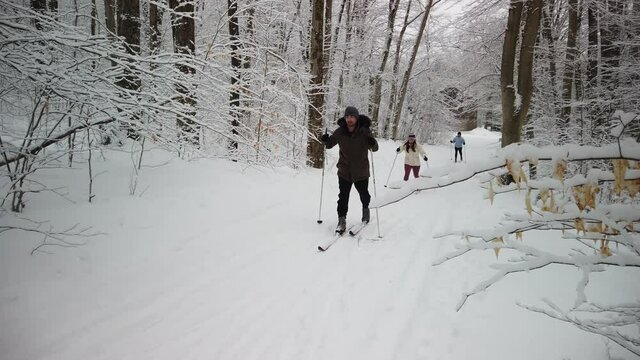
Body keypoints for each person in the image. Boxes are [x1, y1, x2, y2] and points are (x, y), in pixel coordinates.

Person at [321, 106, 379, 233]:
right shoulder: (340, 132)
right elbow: (330, 144)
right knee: (343, 197)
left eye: (352, 117)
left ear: (356, 118)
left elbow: (374, 148)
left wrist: (372, 141)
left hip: (361, 171)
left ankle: (366, 211)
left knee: (364, 195)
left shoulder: (364, 131)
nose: (349, 119)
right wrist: (325, 140)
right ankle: (341, 221)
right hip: (344, 171)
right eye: (347, 117)